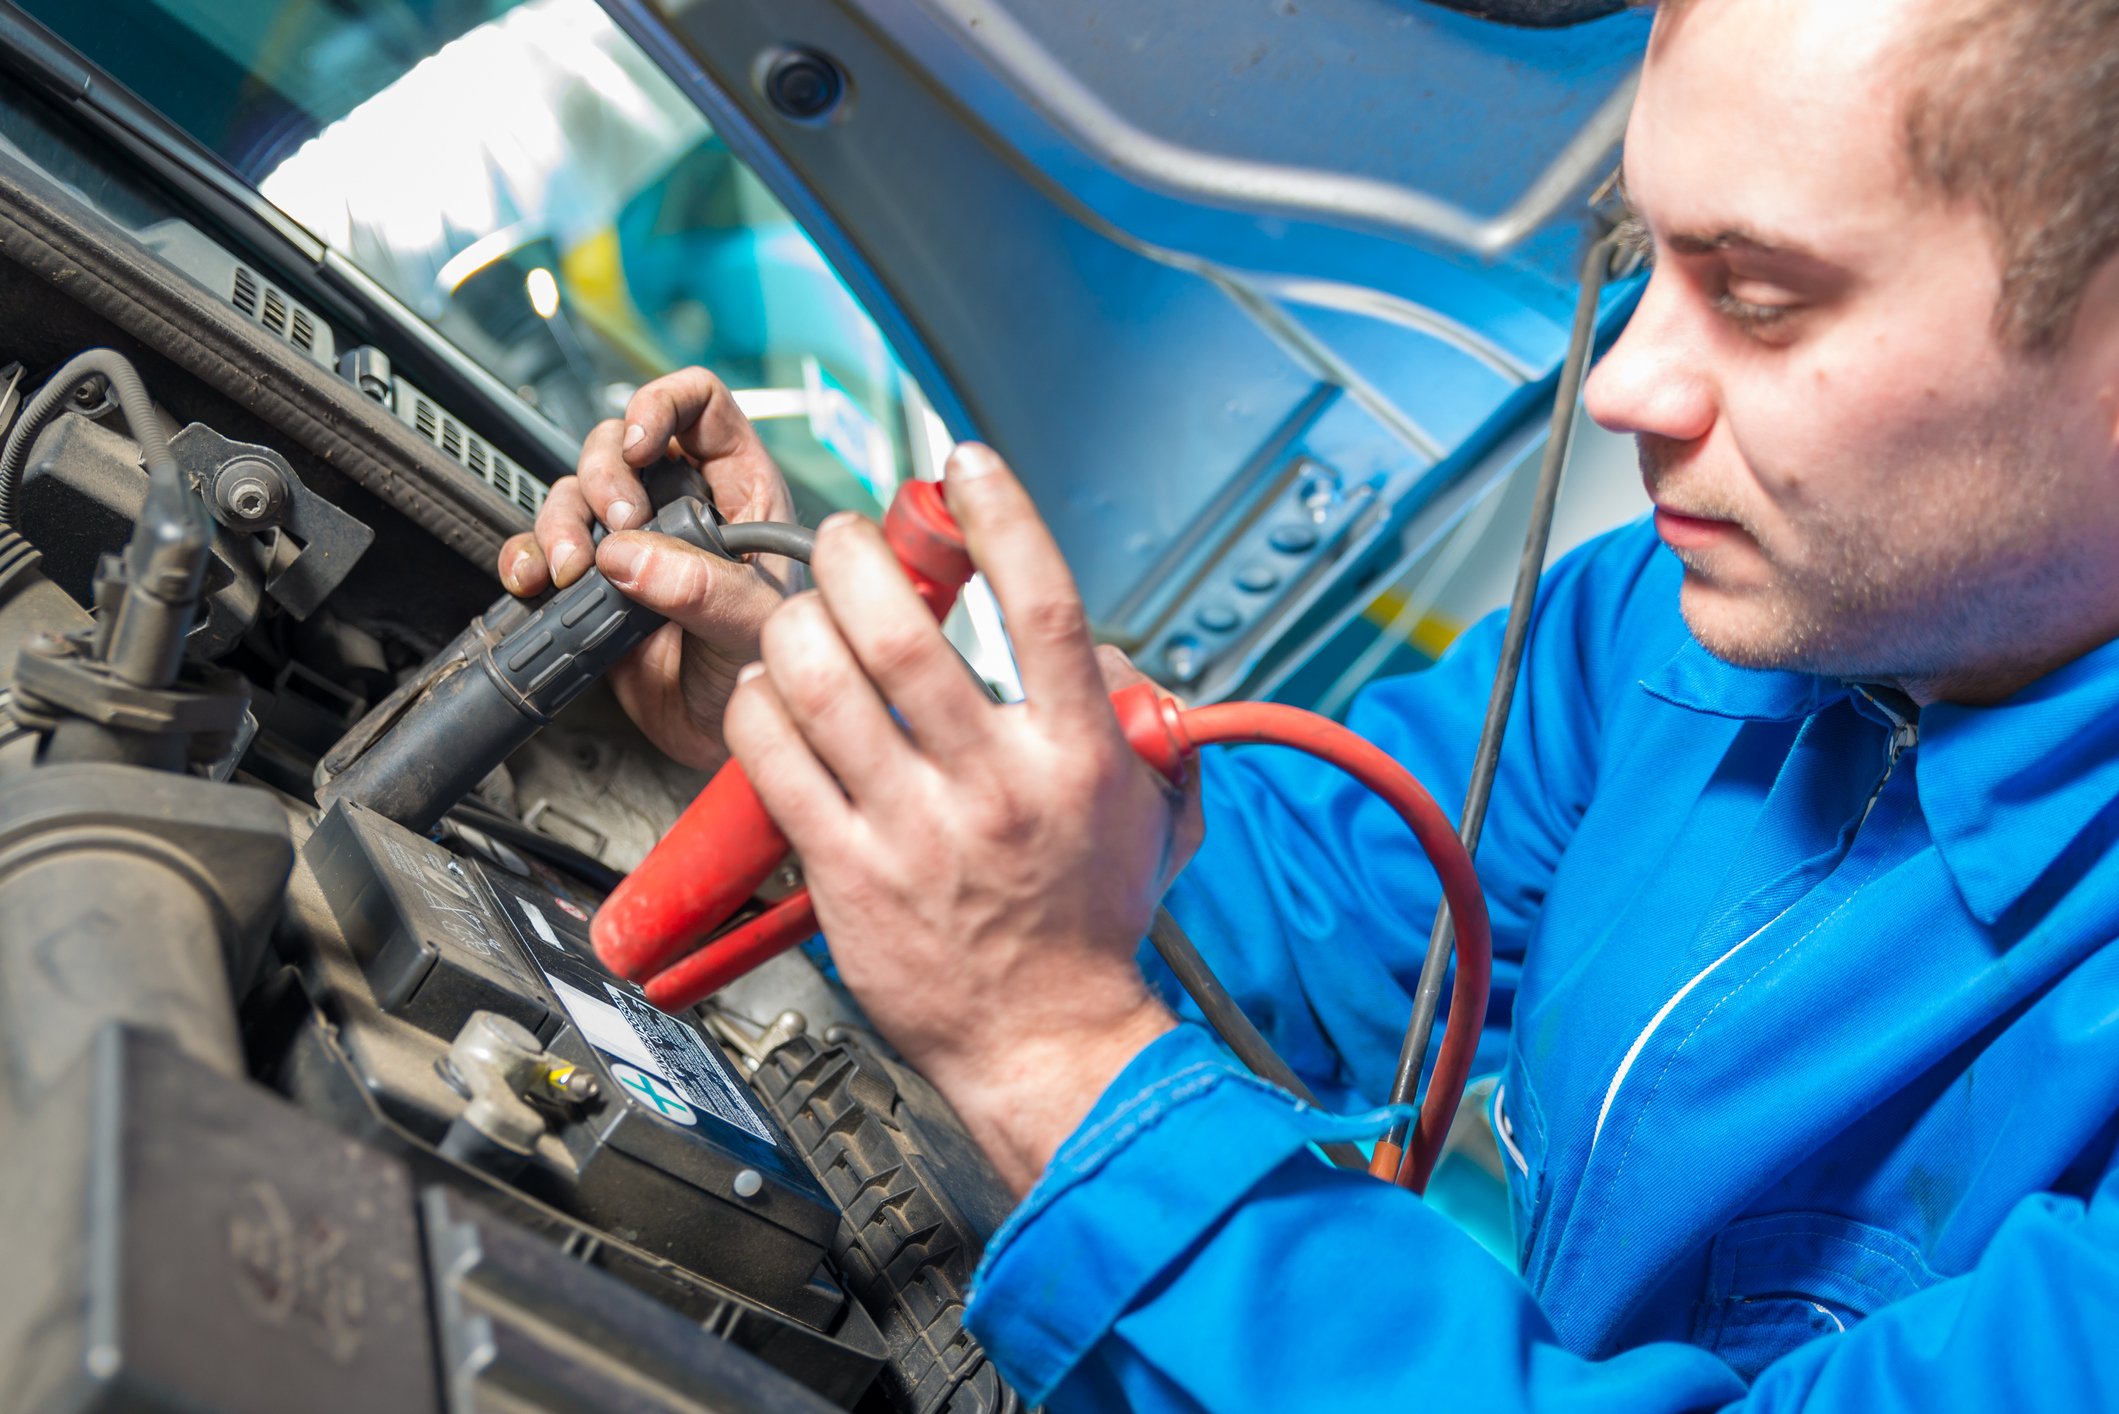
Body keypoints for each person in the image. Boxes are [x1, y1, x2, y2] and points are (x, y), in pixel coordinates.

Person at [499, 0, 2119, 1404]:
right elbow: (1266, 926)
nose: (1625, 381)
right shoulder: (1664, 636)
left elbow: (1070, 1006)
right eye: (1638, 259)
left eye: (1759, 298)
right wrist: (830, 742)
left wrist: (1055, 1046)